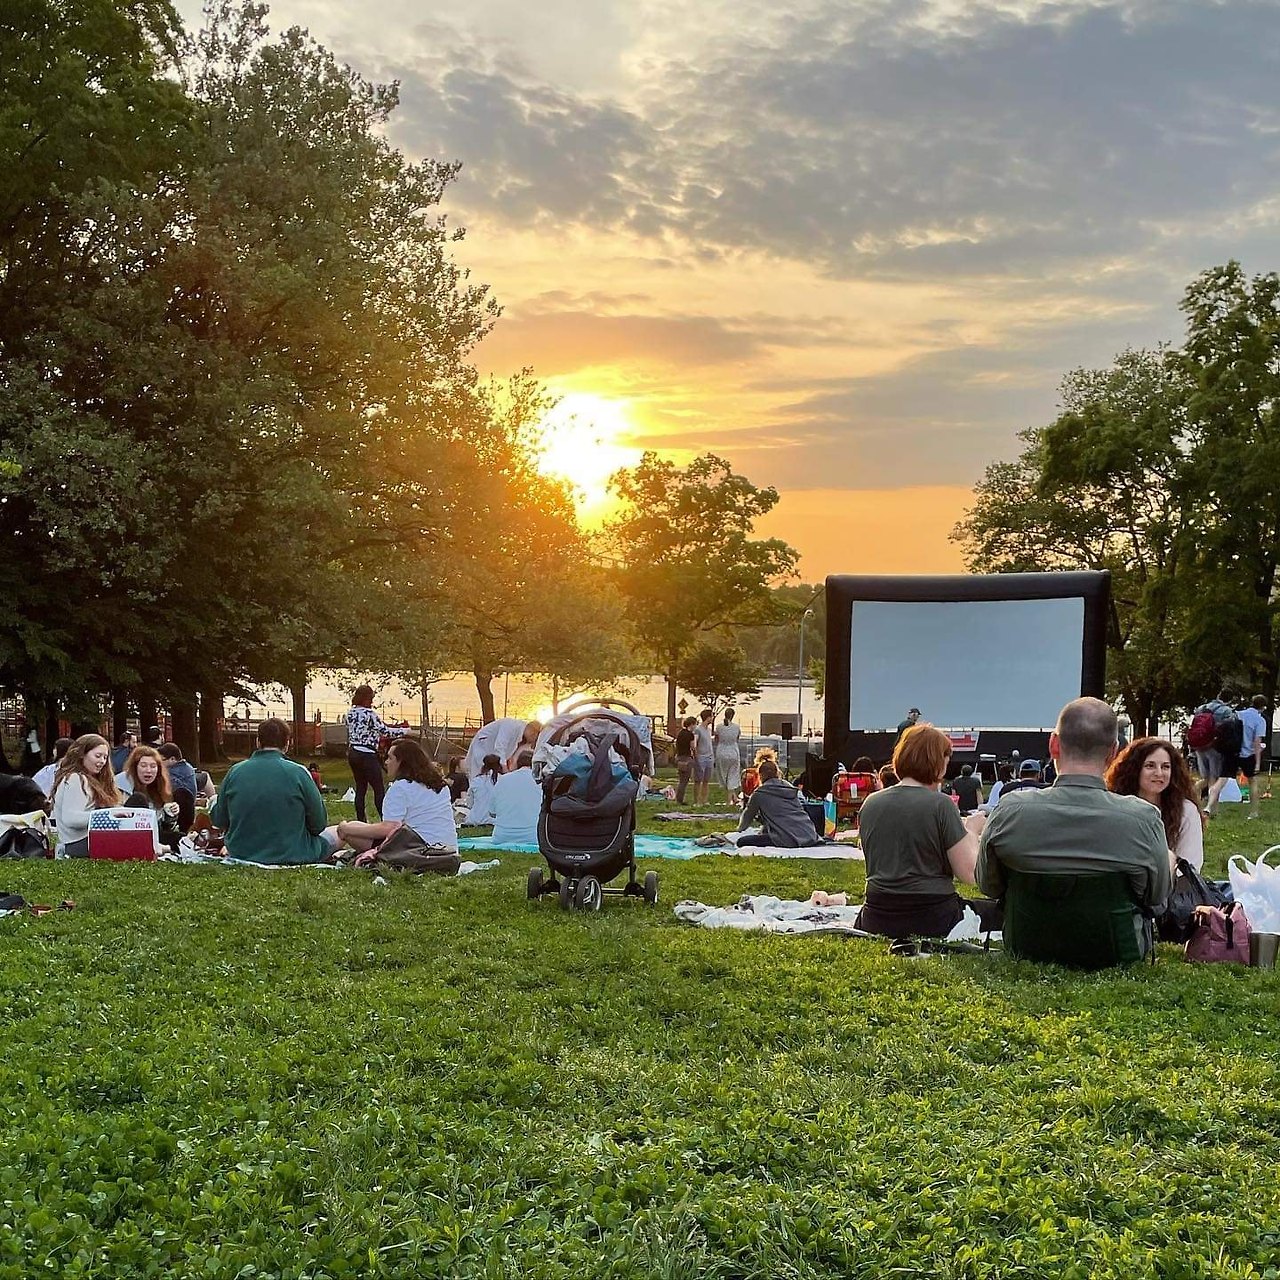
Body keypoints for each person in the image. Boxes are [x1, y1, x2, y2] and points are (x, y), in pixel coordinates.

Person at [976, 698, 1172, 959]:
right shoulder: (1143, 818)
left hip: (1026, 945)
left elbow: (988, 886)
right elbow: (1156, 896)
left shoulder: (1010, 810)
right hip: (1117, 950)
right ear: (1113, 752)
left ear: (1054, 745)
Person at [855, 724, 996, 938]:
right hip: (933, 916)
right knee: (1004, 912)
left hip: (877, 915)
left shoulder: (870, 804)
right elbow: (970, 873)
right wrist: (972, 832)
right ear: (937, 761)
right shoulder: (941, 805)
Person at [210, 718, 340, 865]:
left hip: (241, 852)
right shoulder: (299, 773)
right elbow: (318, 824)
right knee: (340, 831)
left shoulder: (235, 772)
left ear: (258, 742)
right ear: (288, 743)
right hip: (295, 852)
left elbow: (219, 820)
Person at [337, 739, 457, 853]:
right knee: (357, 826)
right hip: (449, 851)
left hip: (418, 852)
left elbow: (389, 828)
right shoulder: (441, 786)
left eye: (389, 758)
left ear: (402, 762)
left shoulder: (400, 787)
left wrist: (345, 828)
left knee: (351, 832)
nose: (386, 762)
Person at [1105, 737, 1203, 870]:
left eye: (1165, 767)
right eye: (1150, 766)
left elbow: (1190, 865)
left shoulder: (1186, 811)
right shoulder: (1113, 805)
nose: (1159, 773)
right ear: (1134, 769)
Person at [344, 684, 408, 823]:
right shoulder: (370, 714)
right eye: (371, 698)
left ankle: (361, 820)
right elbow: (385, 731)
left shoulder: (349, 713)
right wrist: (405, 731)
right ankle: (385, 819)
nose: (372, 702)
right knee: (378, 788)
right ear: (366, 699)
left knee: (360, 787)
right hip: (367, 753)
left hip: (353, 753)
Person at [50, 734, 121, 858]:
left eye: (105, 757)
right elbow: (71, 819)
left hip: (83, 842)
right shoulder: (75, 778)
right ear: (82, 754)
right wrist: (109, 815)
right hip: (76, 844)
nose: (102, 762)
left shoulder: (88, 779)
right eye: (97, 756)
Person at [736, 759, 822, 848]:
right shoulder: (789, 789)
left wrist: (739, 830)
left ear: (760, 775)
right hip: (808, 834)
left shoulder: (760, 794)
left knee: (742, 841)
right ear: (777, 772)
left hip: (788, 838)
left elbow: (747, 815)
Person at [119, 745, 184, 851]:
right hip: (127, 833)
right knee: (139, 799)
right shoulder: (121, 783)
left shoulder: (156, 788)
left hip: (152, 834)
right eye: (143, 766)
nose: (148, 770)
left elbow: (161, 827)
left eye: (153, 766)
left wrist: (169, 815)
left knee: (180, 837)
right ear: (135, 767)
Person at [490, 750, 542, 847]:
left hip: (501, 837)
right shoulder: (541, 782)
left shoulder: (502, 780)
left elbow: (492, 812)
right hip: (533, 836)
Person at [463, 718, 542, 780]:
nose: (532, 742)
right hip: (482, 748)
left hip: (492, 757)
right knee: (478, 777)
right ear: (533, 732)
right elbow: (499, 747)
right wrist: (505, 770)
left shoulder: (521, 737)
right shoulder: (510, 725)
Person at [1238, 694, 1268, 821]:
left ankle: (1212, 807)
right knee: (1252, 782)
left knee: (1222, 779)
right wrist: (1257, 763)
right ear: (1263, 707)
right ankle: (1253, 811)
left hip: (1234, 751)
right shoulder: (1260, 720)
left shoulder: (1239, 714)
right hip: (1248, 754)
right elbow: (1257, 741)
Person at [713, 708, 743, 804]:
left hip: (721, 752)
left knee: (724, 775)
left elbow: (716, 740)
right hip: (733, 751)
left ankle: (732, 798)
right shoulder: (736, 727)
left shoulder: (718, 727)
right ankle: (730, 799)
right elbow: (737, 739)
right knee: (732, 775)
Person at [464, 754, 502, 825]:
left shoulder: (476, 781)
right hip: (495, 820)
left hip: (475, 819)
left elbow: (469, 803)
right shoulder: (503, 780)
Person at [692, 709, 715, 807]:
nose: (712, 718)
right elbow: (694, 744)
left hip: (709, 757)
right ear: (707, 717)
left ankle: (705, 800)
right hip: (701, 757)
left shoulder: (709, 730)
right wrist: (696, 756)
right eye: (711, 716)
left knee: (706, 780)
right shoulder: (698, 729)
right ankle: (697, 801)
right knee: (698, 780)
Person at [673, 716, 697, 804]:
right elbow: (693, 747)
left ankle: (678, 798)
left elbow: (676, 745)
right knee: (685, 780)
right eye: (695, 724)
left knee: (681, 779)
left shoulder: (680, 733)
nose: (695, 726)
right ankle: (680, 799)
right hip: (687, 758)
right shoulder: (690, 735)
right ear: (691, 724)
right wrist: (695, 756)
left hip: (679, 757)